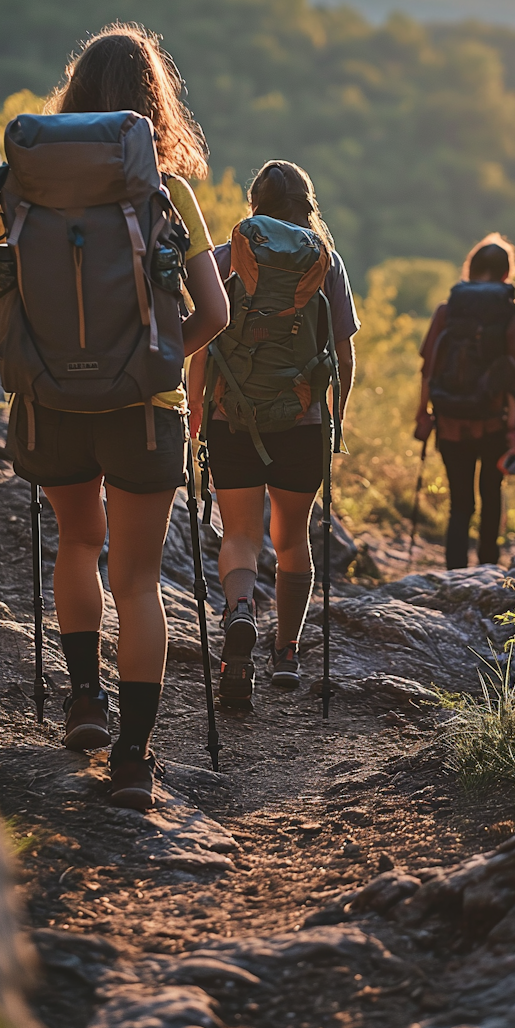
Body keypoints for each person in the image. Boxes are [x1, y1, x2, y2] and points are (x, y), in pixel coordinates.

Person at [7, 24, 230, 809]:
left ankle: (82, 704)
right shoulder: (168, 197)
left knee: (77, 542)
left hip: (53, 402)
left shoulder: (23, 189)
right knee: (137, 580)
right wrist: (161, 357)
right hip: (143, 409)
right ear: (152, 106)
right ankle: (134, 760)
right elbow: (217, 312)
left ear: (72, 101)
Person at [187, 160, 358, 706]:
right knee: (292, 537)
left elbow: (206, 342)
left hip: (231, 419)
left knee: (239, 534)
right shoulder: (326, 265)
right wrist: (336, 414)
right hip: (301, 423)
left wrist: (196, 409)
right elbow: (343, 353)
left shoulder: (222, 258)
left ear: (253, 203)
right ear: (307, 206)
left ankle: (240, 615)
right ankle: (286, 651)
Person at [416, 234, 515, 569]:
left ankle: (454, 573)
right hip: (493, 423)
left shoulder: (446, 312)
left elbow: (428, 369)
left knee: (460, 503)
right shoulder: (514, 318)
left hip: (450, 421)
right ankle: (489, 570)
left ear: (471, 268)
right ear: (506, 274)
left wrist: (423, 415)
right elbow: (514, 382)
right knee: (491, 496)